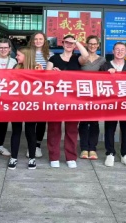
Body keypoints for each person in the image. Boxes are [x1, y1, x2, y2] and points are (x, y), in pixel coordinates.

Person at [46, 34, 89, 168]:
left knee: (71, 129)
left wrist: (77, 42)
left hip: (72, 99)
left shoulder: (77, 59)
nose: (69, 45)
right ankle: (54, 157)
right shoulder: (54, 58)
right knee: (54, 128)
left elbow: (86, 56)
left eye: (72, 43)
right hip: (56, 98)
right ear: (62, 43)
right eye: (66, 42)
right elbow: (46, 76)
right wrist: (53, 73)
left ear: (75, 45)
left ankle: (71, 157)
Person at [100, 42, 126, 168]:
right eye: (117, 49)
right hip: (110, 103)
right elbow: (97, 83)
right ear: (113, 51)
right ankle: (110, 153)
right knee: (109, 128)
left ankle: (125, 154)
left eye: (122, 49)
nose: (120, 52)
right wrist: (106, 75)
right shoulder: (105, 66)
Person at [8, 47, 42, 170]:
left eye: (18, 55)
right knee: (16, 131)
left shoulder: (37, 68)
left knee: (30, 131)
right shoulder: (15, 67)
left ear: (26, 56)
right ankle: (13, 157)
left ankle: (32, 158)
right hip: (17, 105)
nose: (16, 57)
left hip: (31, 105)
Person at [78, 35, 106, 160]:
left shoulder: (102, 60)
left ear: (98, 45)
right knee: (83, 121)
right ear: (86, 44)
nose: (92, 46)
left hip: (96, 95)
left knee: (94, 122)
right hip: (82, 94)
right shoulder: (82, 58)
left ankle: (92, 148)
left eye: (95, 44)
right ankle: (84, 148)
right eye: (90, 43)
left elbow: (106, 75)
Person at [0, 38, 17, 158]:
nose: (3, 50)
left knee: (3, 122)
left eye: (5, 48)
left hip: (7, 96)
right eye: (1, 47)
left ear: (10, 49)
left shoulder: (14, 61)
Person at [29, 31, 50, 158]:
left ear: (44, 41)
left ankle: (37, 145)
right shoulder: (27, 54)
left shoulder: (50, 55)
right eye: (35, 39)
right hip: (29, 91)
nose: (38, 41)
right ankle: (31, 145)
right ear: (32, 41)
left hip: (43, 91)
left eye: (40, 39)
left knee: (41, 120)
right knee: (31, 120)